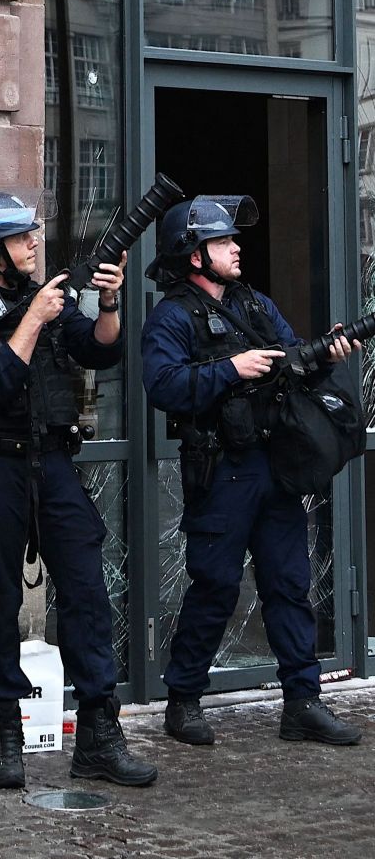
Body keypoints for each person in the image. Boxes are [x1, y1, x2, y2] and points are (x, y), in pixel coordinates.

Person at [0, 188, 157, 791]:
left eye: (32, 232)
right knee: (1, 598)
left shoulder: (44, 298)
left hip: (53, 463)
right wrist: (33, 320)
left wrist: (108, 300)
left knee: (86, 590)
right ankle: (6, 731)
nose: (34, 241)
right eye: (18, 235)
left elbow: (100, 349)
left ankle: (99, 734)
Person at [142, 195, 362, 748]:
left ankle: (303, 703)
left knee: (289, 585)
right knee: (214, 587)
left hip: (274, 467)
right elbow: (162, 384)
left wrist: (326, 356)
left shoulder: (255, 305)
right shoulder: (172, 315)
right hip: (222, 472)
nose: (236, 248)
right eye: (223, 242)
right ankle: (184, 700)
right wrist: (228, 369)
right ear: (194, 255)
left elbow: (291, 361)